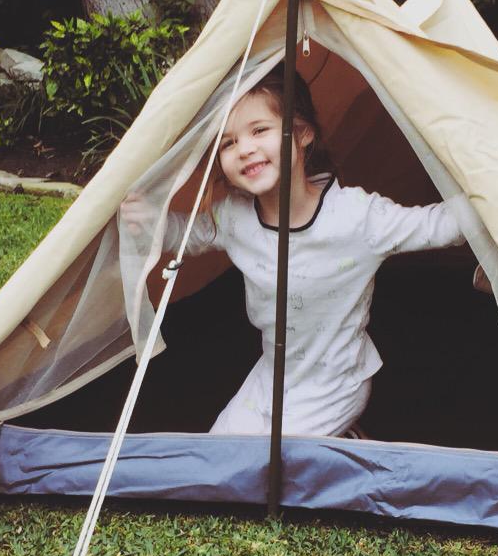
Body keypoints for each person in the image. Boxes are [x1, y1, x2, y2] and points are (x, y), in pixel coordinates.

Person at [121, 66, 465, 437]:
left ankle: (345, 439)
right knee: (219, 456)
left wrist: (494, 191)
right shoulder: (235, 217)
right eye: (228, 142)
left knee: (271, 471)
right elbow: (190, 234)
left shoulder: (357, 217)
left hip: (337, 384)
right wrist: (150, 219)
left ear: (303, 134)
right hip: (275, 375)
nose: (244, 149)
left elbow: (438, 226)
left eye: (259, 130)